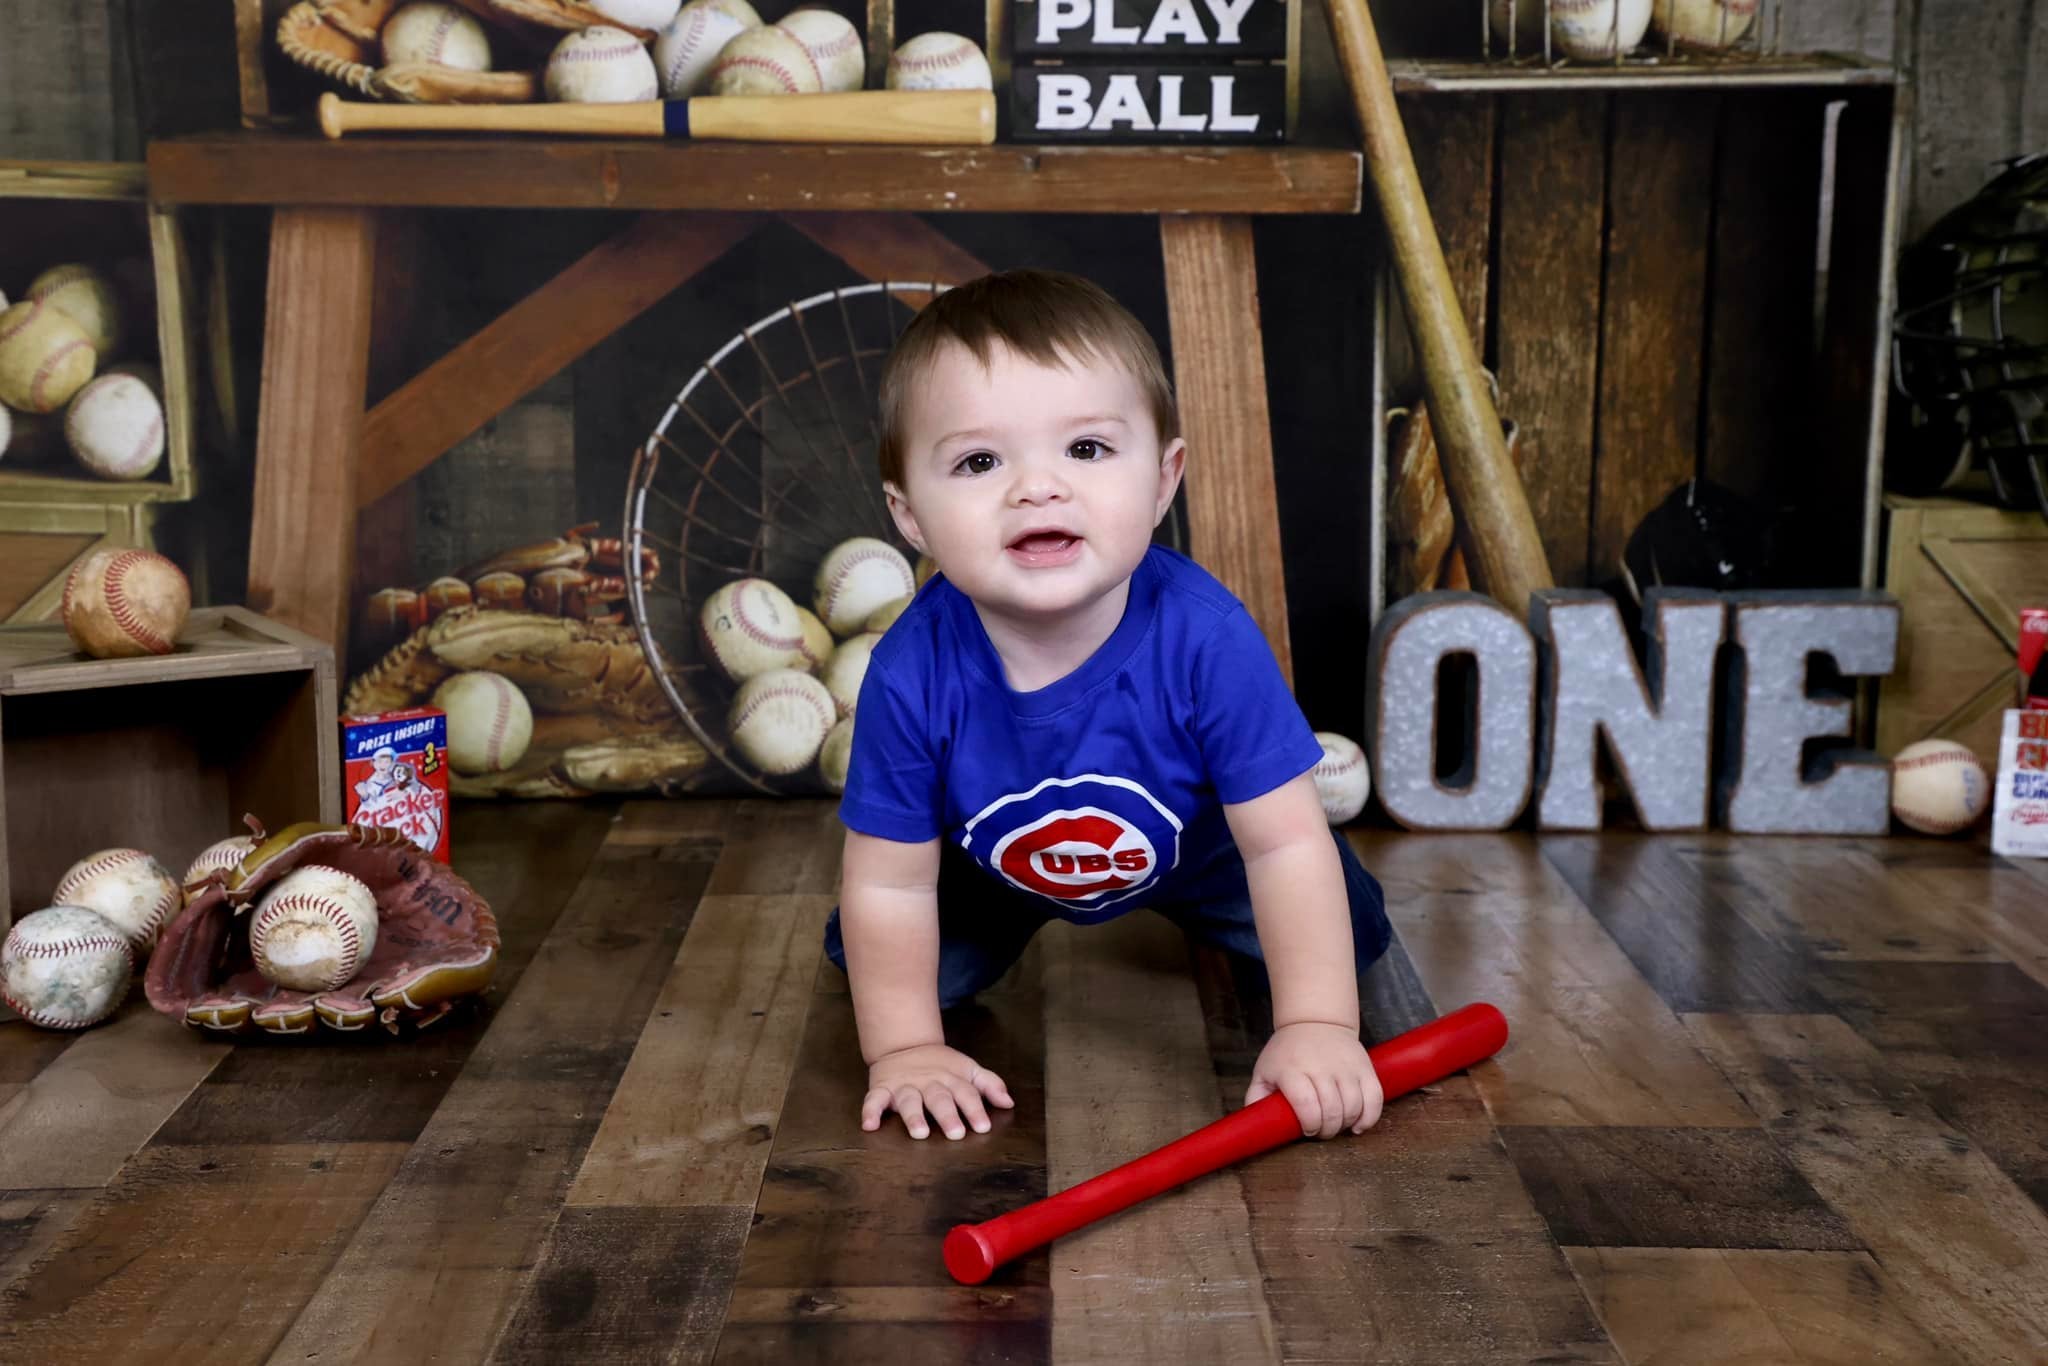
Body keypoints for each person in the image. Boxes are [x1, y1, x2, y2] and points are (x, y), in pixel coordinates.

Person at [827, 269, 1394, 1145]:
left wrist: (1317, 1026)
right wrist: (903, 1049)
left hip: (1207, 848)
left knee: (1343, 936)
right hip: (990, 867)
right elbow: (891, 878)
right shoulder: (910, 671)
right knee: (891, 965)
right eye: (980, 462)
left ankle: (1298, 972)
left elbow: (1280, 840)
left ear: (1165, 480)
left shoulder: (1207, 638)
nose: (1037, 488)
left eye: (1086, 449)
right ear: (910, 519)